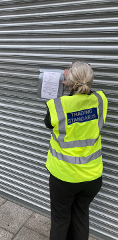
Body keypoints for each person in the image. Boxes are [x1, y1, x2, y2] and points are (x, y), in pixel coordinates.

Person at [44, 62, 108, 240]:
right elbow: (85, 96)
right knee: (80, 217)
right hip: (92, 177)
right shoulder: (101, 100)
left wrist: (68, 86)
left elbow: (48, 123)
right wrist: (74, 80)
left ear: (68, 82)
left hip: (64, 177)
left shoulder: (58, 106)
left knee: (60, 219)